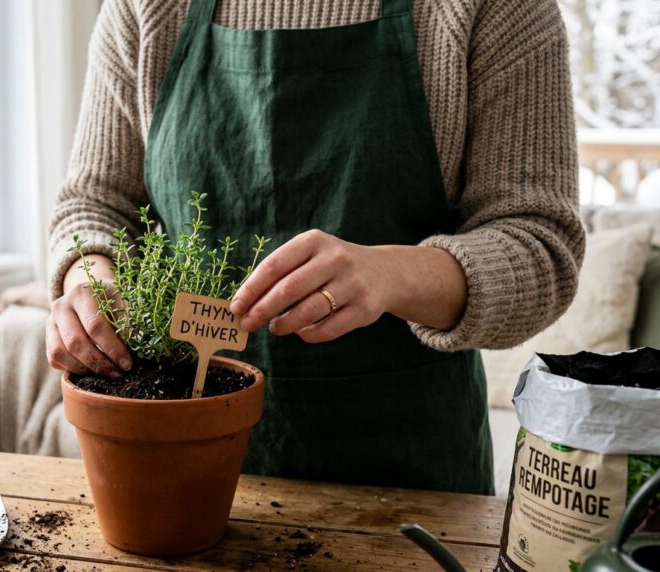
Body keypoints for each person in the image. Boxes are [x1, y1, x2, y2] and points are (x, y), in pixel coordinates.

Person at [46, 0, 585, 495]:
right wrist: (89, 282)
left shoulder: (490, 8)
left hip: (406, 485)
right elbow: (95, 203)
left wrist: (390, 274)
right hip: (178, 471)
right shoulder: (148, 7)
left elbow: (541, 245)